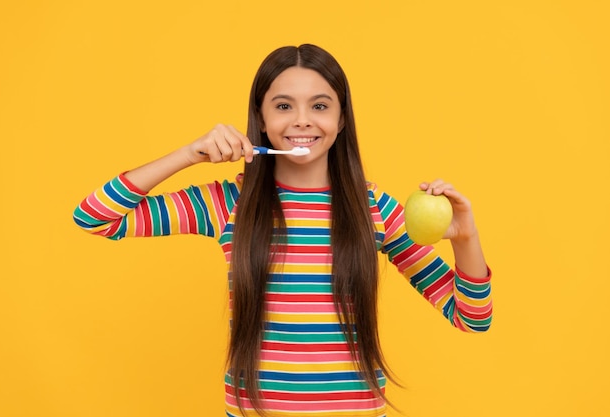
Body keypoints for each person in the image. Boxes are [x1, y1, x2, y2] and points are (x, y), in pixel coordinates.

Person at [73, 44, 492, 417]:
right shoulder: (225, 203)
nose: (303, 121)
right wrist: (188, 154)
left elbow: (472, 318)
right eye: (284, 106)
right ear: (261, 116)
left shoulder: (375, 211)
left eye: (321, 106)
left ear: (343, 119)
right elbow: (94, 217)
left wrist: (465, 237)